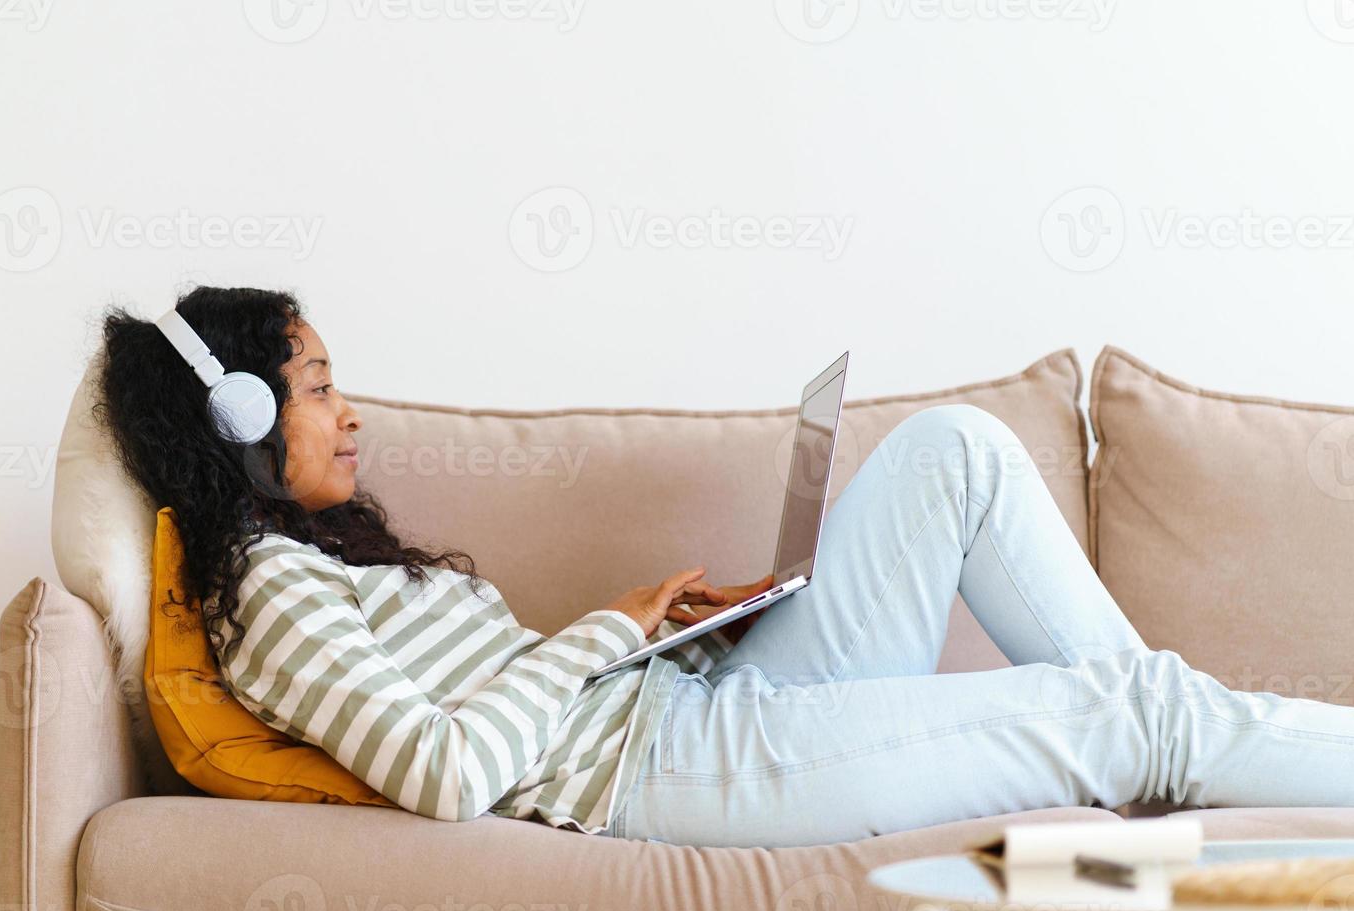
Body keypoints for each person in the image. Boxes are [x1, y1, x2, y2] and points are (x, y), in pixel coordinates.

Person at [100, 285, 1354, 849]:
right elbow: (447, 770)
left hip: (683, 705)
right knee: (1132, 706)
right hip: (674, 768)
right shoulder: (269, 592)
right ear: (241, 417)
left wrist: (668, 633)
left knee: (955, 453)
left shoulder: (324, 555)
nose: (352, 413)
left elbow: (502, 698)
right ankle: (1185, 754)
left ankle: (1179, 774)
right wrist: (600, 631)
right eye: (320, 388)